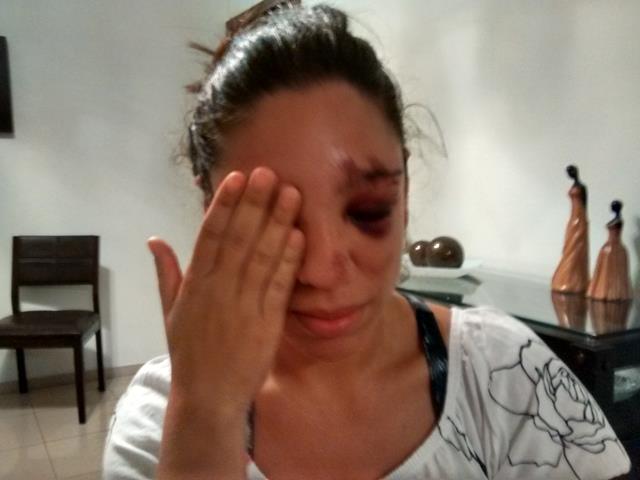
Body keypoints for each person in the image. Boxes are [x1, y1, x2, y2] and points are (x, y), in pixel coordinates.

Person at [102, 4, 631, 479]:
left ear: (404, 193)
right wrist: (206, 415)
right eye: (275, 222)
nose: (320, 269)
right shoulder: (161, 422)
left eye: (369, 211)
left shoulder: (504, 373)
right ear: (210, 209)